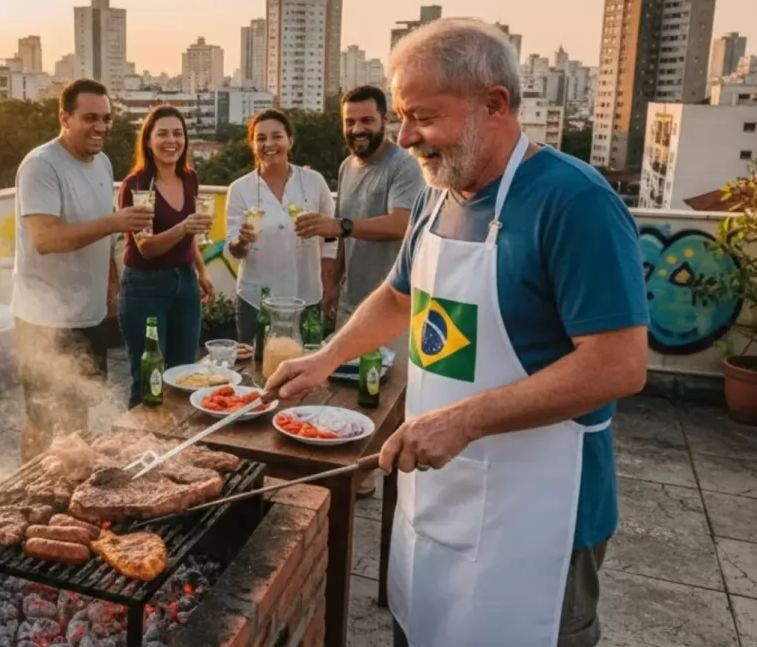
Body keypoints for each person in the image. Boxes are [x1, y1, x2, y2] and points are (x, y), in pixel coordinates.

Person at [266, 18, 648, 647]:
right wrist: (324, 357)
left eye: (423, 116)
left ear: (493, 104)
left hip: (540, 515)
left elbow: (618, 365)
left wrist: (465, 420)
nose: (406, 136)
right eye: (402, 118)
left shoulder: (574, 202)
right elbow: (398, 296)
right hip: (439, 494)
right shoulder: (438, 194)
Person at [11, 79, 154, 461]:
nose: (101, 127)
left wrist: (111, 286)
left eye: (106, 118)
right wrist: (115, 221)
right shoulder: (41, 166)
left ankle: (67, 487)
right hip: (45, 318)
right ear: (64, 117)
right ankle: (24, 492)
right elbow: (45, 238)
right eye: (90, 118)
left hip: (87, 313)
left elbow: (99, 231)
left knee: (78, 411)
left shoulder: (102, 162)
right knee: (41, 417)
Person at [299, 84, 425, 498]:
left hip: (394, 302)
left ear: (385, 120)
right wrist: (333, 286)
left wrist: (341, 226)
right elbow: (346, 237)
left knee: (386, 391)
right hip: (355, 298)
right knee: (352, 389)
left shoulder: (403, 166)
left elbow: (401, 222)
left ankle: (385, 473)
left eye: (367, 120)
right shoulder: (346, 167)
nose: (358, 128)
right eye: (350, 121)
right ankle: (358, 468)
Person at [116, 105, 215, 408]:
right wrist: (184, 226)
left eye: (177, 133)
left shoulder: (190, 179)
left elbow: (192, 236)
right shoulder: (136, 185)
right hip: (145, 289)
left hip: (184, 285)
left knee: (185, 375)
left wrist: (201, 271)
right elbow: (146, 247)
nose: (171, 140)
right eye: (162, 134)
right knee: (150, 377)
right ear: (148, 140)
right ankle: (138, 448)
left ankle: (175, 451)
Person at [225, 109, 338, 343]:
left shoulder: (313, 182)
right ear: (252, 144)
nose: (269, 144)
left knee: (305, 368)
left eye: (276, 136)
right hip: (256, 300)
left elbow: (332, 237)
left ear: (290, 140)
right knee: (254, 368)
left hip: (306, 295)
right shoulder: (239, 189)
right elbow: (233, 249)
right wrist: (242, 241)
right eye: (261, 138)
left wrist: (329, 282)